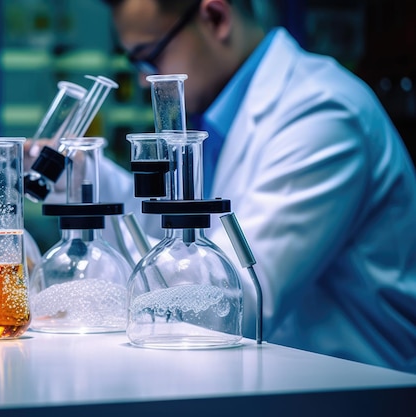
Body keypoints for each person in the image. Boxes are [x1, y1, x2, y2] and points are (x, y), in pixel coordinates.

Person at [92, 0, 416, 372]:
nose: (144, 80)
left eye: (150, 57)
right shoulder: (222, 116)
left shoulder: (323, 113)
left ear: (216, 18)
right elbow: (176, 236)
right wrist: (89, 175)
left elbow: (230, 303)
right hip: (275, 378)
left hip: (360, 386)